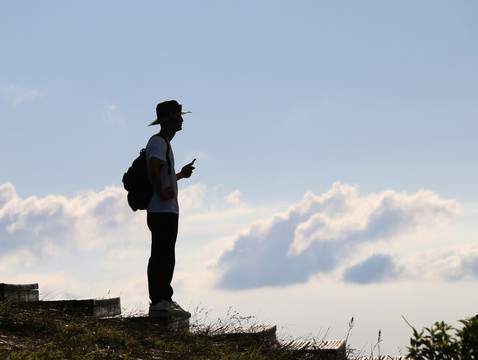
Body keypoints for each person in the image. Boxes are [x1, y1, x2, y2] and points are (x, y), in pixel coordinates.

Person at [145, 100, 195, 318]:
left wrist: (180, 176)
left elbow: (162, 174)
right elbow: (152, 168)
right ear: (169, 120)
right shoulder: (158, 143)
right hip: (160, 210)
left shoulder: (164, 142)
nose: (181, 119)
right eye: (178, 116)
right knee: (161, 255)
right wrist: (161, 191)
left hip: (166, 210)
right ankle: (159, 301)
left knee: (166, 255)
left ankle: (164, 298)